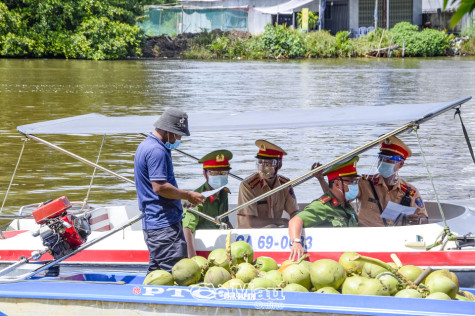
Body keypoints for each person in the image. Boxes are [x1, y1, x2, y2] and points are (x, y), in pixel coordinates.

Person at [134, 108, 205, 274]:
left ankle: (143, 298)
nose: (179, 138)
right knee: (177, 274)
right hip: (163, 226)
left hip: (154, 224)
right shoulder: (156, 151)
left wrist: (180, 198)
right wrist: (187, 194)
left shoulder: (146, 145)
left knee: (157, 274)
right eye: (177, 134)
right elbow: (160, 187)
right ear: (167, 131)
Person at [316, 136, 428, 227]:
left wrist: (417, 220)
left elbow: (425, 219)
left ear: (401, 164)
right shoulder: (365, 183)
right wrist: (321, 179)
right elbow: (337, 198)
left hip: (397, 239)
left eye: (389, 161)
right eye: (381, 159)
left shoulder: (410, 191)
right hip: (366, 237)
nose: (383, 163)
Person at [289, 157, 360, 261]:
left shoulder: (347, 207)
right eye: (351, 182)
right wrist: (296, 242)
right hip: (332, 260)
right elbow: (296, 220)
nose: (355, 185)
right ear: (337, 184)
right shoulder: (323, 206)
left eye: (355, 182)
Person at [182, 150, 233, 257]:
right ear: (205, 174)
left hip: (218, 245)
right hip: (202, 246)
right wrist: (192, 258)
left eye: (223, 172)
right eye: (213, 172)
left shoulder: (224, 193)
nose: (219, 176)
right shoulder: (198, 197)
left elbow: (225, 221)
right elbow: (187, 229)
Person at [237, 140, 298, 228]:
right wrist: (280, 221)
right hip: (249, 234)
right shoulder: (248, 185)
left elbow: (293, 212)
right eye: (260, 163)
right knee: (272, 227)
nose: (262, 168)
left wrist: (296, 221)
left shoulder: (285, 184)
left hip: (273, 230)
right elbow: (251, 222)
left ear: (279, 165)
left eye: (267, 164)